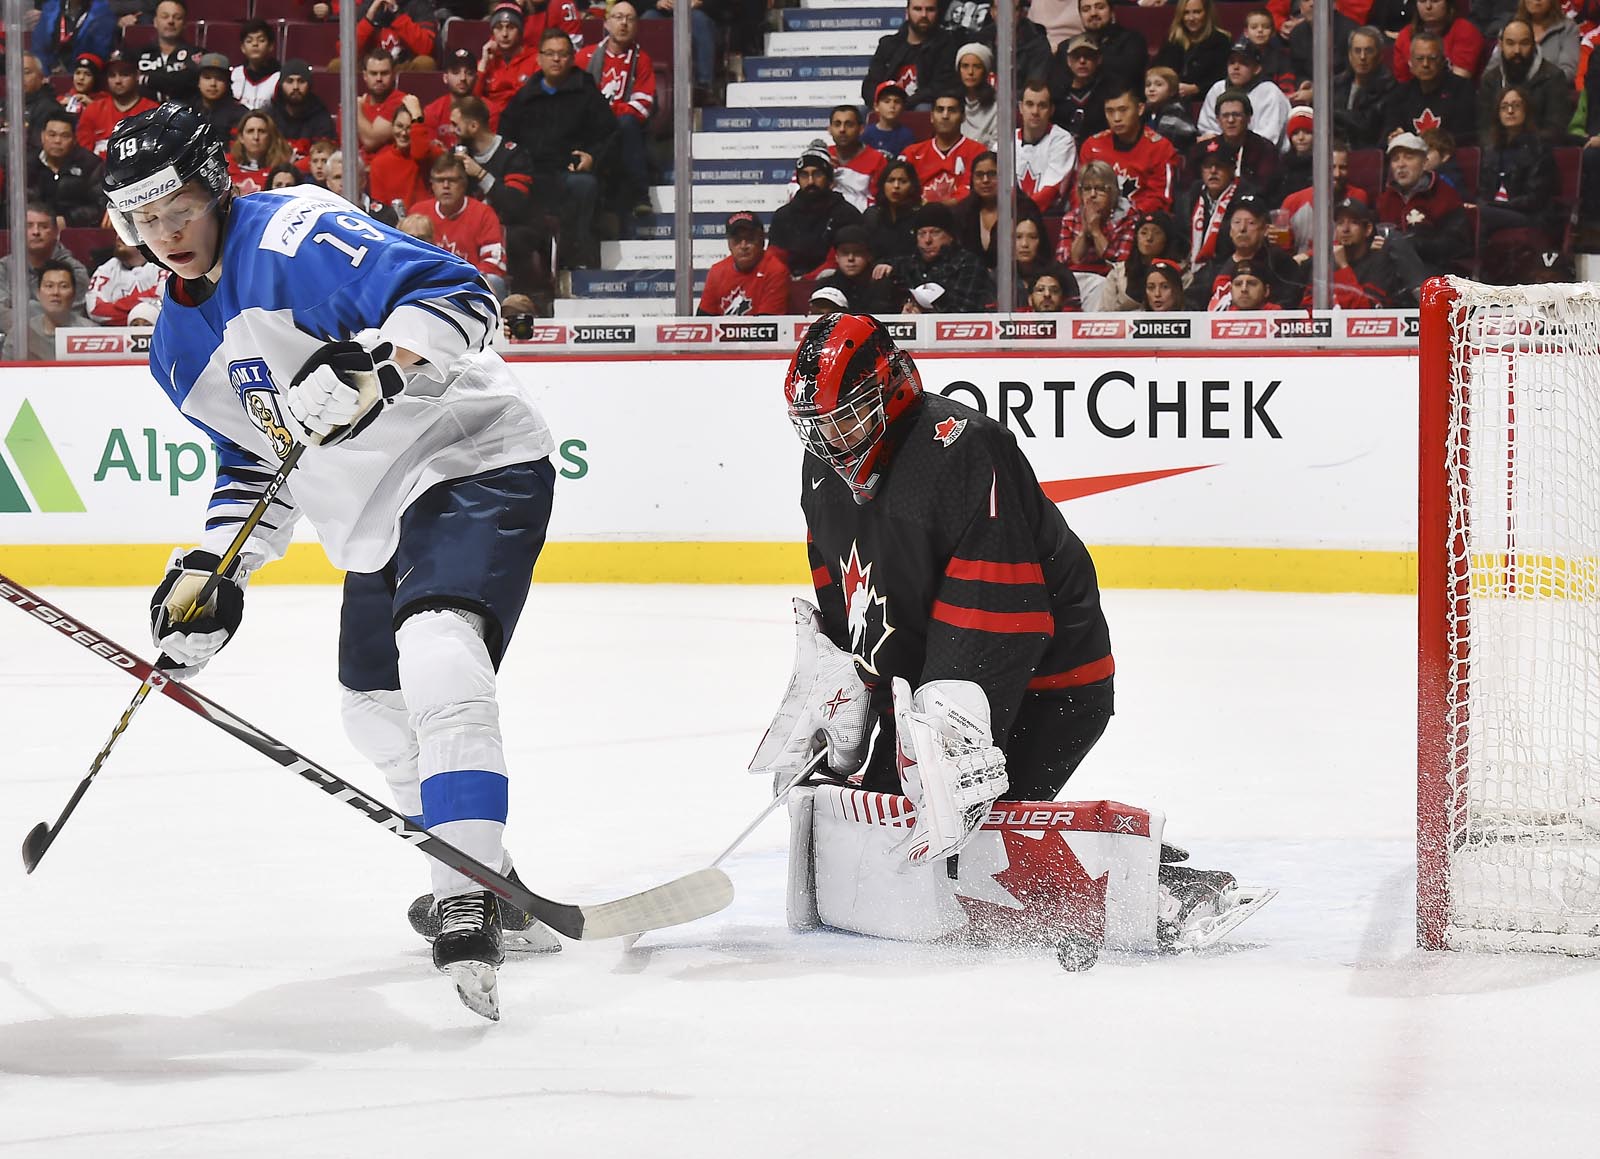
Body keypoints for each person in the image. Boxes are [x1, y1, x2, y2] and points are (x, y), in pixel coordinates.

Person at [101, 101, 559, 1021]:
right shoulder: (173, 348)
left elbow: (462, 297)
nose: (165, 235)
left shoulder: (294, 233)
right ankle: (501, 885)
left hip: (467, 456)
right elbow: (260, 462)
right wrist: (211, 569)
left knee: (437, 648)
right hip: (373, 515)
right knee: (374, 713)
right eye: (142, 221)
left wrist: (378, 363)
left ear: (216, 183)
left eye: (178, 208)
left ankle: (462, 880)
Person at [767, 316, 1249, 953]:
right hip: (931, 689)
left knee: (959, 837)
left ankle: (1170, 889)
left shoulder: (961, 447)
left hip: (1050, 680)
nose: (833, 441)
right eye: (817, 426)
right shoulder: (824, 471)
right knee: (896, 829)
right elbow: (842, 592)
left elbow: (1001, 608)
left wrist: (951, 733)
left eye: (847, 418)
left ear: (891, 389)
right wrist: (845, 690)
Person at [500, 27, 619, 270]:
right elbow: (505, 138)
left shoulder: (586, 92)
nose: (556, 59)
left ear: (572, 58)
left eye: (563, 54)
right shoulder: (524, 97)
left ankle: (576, 259)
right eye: (550, 53)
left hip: (569, 173)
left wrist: (593, 157)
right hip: (531, 174)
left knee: (584, 185)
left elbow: (610, 133)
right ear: (539, 58)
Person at [576, 0, 657, 217]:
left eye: (630, 19)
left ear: (636, 26)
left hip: (622, 129)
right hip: (591, 128)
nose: (623, 23)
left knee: (627, 123)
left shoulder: (642, 60)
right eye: (618, 17)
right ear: (607, 23)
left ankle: (640, 197)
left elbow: (642, 106)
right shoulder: (585, 56)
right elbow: (574, 99)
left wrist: (608, 113)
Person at [1476, 84, 1558, 282]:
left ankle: (1478, 278)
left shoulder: (1540, 149)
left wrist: (1496, 207)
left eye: (1516, 105)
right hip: (1493, 212)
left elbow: (1535, 200)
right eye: (1504, 107)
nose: (1510, 111)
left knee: (1479, 213)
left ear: (1526, 111)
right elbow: (1484, 190)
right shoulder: (1491, 151)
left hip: (1529, 216)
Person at [1376, 130, 1470, 290]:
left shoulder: (1445, 195)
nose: (1401, 164)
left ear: (1424, 162)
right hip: (1391, 274)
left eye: (1409, 157)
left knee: (1397, 241)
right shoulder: (1385, 200)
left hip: (1436, 273)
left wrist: (1413, 243)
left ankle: (1422, 296)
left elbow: (1457, 245)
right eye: (1395, 159)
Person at [409, 153, 509, 297]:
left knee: (494, 280)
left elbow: (494, 262)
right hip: (427, 285)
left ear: (464, 183)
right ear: (432, 183)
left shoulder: (483, 213)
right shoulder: (418, 211)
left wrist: (462, 278)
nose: (445, 186)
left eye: (452, 180)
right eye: (440, 180)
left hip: (471, 286)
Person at [1188, 192, 1304, 308]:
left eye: (1251, 223)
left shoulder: (1279, 264)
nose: (1242, 229)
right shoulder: (1215, 266)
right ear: (1230, 230)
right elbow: (1192, 302)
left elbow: (1291, 302)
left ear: (1265, 229)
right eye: (1237, 222)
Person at [873, 201, 994, 311]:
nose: (927, 240)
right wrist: (885, 267)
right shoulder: (907, 264)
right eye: (921, 233)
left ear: (950, 236)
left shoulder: (967, 263)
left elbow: (966, 308)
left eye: (935, 232)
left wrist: (927, 310)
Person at [1080, 83, 1179, 215]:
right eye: (1110, 111)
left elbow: (1161, 198)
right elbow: (1079, 192)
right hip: (1097, 220)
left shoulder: (1160, 148)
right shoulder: (1092, 146)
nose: (1117, 118)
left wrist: (1126, 218)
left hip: (1141, 223)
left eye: (1123, 110)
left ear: (1140, 109)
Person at [770, 145, 864, 279]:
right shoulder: (783, 215)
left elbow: (838, 260)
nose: (810, 181)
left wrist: (805, 281)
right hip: (788, 284)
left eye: (817, 174)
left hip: (832, 284)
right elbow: (775, 258)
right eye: (804, 175)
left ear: (829, 179)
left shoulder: (847, 214)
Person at [1477, 19, 1571, 143]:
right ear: (1501, 45)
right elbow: (1484, 130)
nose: (1517, 50)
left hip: (1540, 152)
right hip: (1498, 153)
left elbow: (1556, 129)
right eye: (1510, 43)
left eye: (1524, 43)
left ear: (1533, 44)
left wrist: (1521, 142)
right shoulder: (1490, 80)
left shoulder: (1553, 77)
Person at [1382, 30, 1478, 143]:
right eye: (1419, 59)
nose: (1425, 64)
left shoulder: (1461, 89)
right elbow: (1388, 133)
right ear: (1410, 62)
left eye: (1432, 58)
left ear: (1443, 60)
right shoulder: (1400, 94)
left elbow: (1469, 136)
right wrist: (1394, 136)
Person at [954, 151, 1046, 269]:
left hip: (1016, 279)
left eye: (992, 174)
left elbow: (1041, 254)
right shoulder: (963, 211)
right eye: (979, 175)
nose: (985, 180)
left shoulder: (1024, 208)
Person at [0, 203, 91, 316]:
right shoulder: (4, 268)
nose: (36, 232)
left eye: (43, 226)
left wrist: (27, 310)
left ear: (56, 232)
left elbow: (70, 316)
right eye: (28, 226)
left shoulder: (75, 271)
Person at [861, 0, 955, 109]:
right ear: (907, 12)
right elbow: (871, 82)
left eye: (930, 10)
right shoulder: (888, 44)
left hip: (920, 105)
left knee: (924, 108)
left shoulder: (946, 45)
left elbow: (939, 87)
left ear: (938, 13)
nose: (924, 15)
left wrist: (902, 103)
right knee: (860, 111)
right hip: (888, 106)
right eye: (918, 9)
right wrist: (879, 102)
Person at [1196, 40, 1290, 145]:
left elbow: (1268, 138)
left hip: (1261, 155)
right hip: (1222, 153)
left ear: (1257, 68)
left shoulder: (1270, 93)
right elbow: (1208, 129)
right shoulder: (1218, 89)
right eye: (1231, 62)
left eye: (1243, 62)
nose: (1235, 67)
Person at [901, 92, 988, 204]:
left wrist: (937, 208)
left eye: (952, 110)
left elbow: (974, 190)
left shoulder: (977, 152)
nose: (945, 116)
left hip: (962, 216)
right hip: (918, 216)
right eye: (940, 110)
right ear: (932, 117)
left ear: (963, 117)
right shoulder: (912, 153)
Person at [1317, 196, 1404, 307]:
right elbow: (1308, 311)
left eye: (1354, 222)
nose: (1345, 229)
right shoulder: (1324, 265)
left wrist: (1343, 267)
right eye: (1340, 223)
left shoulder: (1379, 262)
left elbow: (1366, 310)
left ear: (1368, 229)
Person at [698, 211, 791, 315]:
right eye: (737, 240)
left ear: (761, 240)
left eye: (750, 239)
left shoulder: (775, 271)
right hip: (722, 331)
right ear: (729, 244)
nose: (743, 246)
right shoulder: (717, 272)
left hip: (756, 330)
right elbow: (703, 320)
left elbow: (767, 326)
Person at [27, 108, 106, 228]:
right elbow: (14, 205)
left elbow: (99, 207)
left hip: (78, 232)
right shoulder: (27, 165)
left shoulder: (91, 165)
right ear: (42, 136)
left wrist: (68, 220)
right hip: (34, 230)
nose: (57, 141)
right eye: (52, 135)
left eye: (65, 136)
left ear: (74, 140)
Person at [1095, 208, 1185, 310]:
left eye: (1157, 233)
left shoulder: (1181, 273)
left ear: (1167, 239)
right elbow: (1105, 313)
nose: (1149, 238)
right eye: (1143, 233)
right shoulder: (1118, 273)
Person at [1055, 159, 1134, 276]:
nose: (1092, 195)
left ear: (1112, 192)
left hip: (1111, 279)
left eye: (1100, 189)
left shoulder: (1127, 218)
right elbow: (1063, 261)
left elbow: (1120, 263)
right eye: (1086, 189)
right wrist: (1084, 231)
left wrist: (1096, 231)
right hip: (1076, 278)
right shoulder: (1070, 219)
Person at [1176, 138, 1246, 265]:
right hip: (1191, 268)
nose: (1213, 170)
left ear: (1232, 169)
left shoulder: (1244, 200)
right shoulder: (1189, 198)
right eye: (1208, 165)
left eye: (1219, 165)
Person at [76, 49, 158, 159]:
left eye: (124, 74)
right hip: (98, 173)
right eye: (112, 75)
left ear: (137, 75)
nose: (117, 80)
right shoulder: (93, 110)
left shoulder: (152, 111)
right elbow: (84, 155)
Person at [2, 261, 91, 360]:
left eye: (63, 286)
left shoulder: (90, 332)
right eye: (49, 286)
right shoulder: (21, 334)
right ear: (38, 293)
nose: (55, 292)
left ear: (74, 294)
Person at [1014, 79, 1077, 213]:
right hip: (1012, 218)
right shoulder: (1006, 142)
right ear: (1020, 107)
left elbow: (1050, 192)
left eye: (1042, 105)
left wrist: (1019, 214)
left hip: (1047, 218)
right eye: (1029, 104)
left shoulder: (1062, 140)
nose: (1035, 111)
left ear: (1051, 110)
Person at [1197, 90, 1278, 193]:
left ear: (1248, 118)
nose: (1231, 120)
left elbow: (1266, 189)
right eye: (1225, 115)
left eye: (1237, 115)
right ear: (1218, 120)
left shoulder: (1265, 150)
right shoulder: (1203, 150)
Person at [1153, 0, 1232, 103]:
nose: (1191, 18)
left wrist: (1196, 88)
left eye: (1197, 12)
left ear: (1207, 13)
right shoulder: (1172, 40)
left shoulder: (1221, 40)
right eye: (1186, 13)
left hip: (1207, 100)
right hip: (1171, 100)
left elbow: (1223, 77)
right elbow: (1160, 71)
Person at [477, 2, 541, 128]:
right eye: (499, 27)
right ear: (492, 32)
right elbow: (471, 103)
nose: (504, 34)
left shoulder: (535, 60)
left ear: (520, 31)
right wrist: (483, 64)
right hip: (490, 128)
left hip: (524, 125)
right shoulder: (485, 63)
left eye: (511, 27)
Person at [1485, 0, 1579, 85]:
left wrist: (1533, 86)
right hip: (1510, 92)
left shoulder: (1567, 28)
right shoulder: (1511, 26)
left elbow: (1568, 72)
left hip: (1549, 93)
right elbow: (1492, 69)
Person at [1332, 25, 1395, 149]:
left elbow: (1369, 128)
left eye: (1369, 51)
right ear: (1350, 55)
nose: (1362, 57)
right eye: (1357, 51)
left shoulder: (1389, 87)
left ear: (1380, 55)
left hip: (1368, 156)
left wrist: (1335, 114)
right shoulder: (1337, 84)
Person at [812, 224, 898, 314]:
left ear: (869, 255)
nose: (851, 258)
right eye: (845, 253)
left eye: (857, 252)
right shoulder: (825, 286)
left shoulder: (882, 285)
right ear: (836, 257)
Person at [1392, 0, 1484, 83]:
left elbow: (1458, 83)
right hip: (1412, 97)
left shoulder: (1465, 30)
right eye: (1422, 1)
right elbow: (1402, 83)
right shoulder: (1405, 35)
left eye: (1435, 1)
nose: (1428, 6)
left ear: (1448, 3)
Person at [86, 237, 166, 326]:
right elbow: (94, 309)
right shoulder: (106, 269)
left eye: (126, 232)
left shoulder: (163, 265)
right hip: (118, 336)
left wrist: (118, 305)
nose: (118, 238)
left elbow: (164, 297)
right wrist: (138, 316)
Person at [271, 59, 337, 167]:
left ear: (309, 85)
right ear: (281, 85)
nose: (295, 87)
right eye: (290, 81)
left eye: (301, 81)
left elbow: (325, 156)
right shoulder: (270, 116)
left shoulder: (321, 116)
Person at [824, 105, 889, 212]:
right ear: (830, 129)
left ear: (861, 129)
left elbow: (880, 204)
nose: (842, 130)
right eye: (837, 124)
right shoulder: (821, 157)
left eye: (849, 124)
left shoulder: (877, 159)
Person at [1074, 0, 1144, 95]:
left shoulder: (1132, 41)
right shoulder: (1068, 47)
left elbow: (1127, 80)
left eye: (1100, 7)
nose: (1093, 13)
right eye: (1086, 9)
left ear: (1112, 11)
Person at [134, 0, 198, 103]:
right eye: (165, 16)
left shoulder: (195, 55)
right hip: (144, 115)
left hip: (183, 115)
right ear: (155, 21)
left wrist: (146, 79)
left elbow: (188, 81)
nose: (171, 21)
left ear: (185, 23)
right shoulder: (137, 55)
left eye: (177, 18)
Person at [33, 0, 116, 76]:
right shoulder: (50, 8)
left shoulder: (102, 11)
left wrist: (75, 73)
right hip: (51, 75)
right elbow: (39, 46)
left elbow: (100, 51)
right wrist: (48, 70)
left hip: (85, 77)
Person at [861, 158, 923, 259]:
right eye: (890, 180)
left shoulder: (920, 216)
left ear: (912, 186)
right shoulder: (872, 215)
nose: (896, 186)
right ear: (883, 184)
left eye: (903, 181)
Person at [356, 0, 439, 71]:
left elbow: (426, 48)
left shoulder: (419, 6)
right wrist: (368, 18)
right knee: (345, 63)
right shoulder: (365, 7)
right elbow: (349, 51)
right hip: (373, 67)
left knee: (425, 63)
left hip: (405, 66)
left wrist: (396, 14)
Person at [423, 48, 480, 152]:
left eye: (469, 73)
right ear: (445, 77)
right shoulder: (432, 111)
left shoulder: (489, 110)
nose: (463, 78)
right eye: (456, 72)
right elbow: (430, 150)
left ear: (476, 78)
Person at [1056, 34, 1110, 142]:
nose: (1082, 61)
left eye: (1088, 55)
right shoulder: (1057, 94)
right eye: (1076, 56)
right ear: (1068, 61)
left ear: (1098, 59)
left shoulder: (1108, 92)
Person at [228, 110, 294, 196]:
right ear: (241, 137)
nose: (256, 137)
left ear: (270, 136)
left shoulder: (281, 171)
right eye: (250, 131)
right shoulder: (225, 165)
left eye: (262, 131)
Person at [357, 48, 406, 157]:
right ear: (365, 76)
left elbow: (370, 140)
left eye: (384, 73)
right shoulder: (361, 103)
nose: (379, 78)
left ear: (393, 75)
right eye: (373, 73)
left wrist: (355, 109)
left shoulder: (401, 102)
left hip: (388, 169)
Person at [192, 52, 247, 141]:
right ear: (198, 81)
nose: (213, 84)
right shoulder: (189, 111)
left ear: (227, 83)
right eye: (207, 77)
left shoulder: (241, 114)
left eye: (219, 78)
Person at [1143, 66, 1199, 153]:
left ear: (1172, 91)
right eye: (1148, 85)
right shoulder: (1145, 112)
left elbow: (1163, 148)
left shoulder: (1176, 111)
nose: (1151, 89)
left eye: (1159, 84)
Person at [231, 19, 282, 111]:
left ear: (271, 46)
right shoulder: (234, 74)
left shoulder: (279, 78)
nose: (255, 44)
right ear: (242, 48)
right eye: (249, 41)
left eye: (261, 40)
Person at [956, 42, 999, 148]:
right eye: (965, 66)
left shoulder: (997, 107)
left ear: (985, 71)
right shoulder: (952, 103)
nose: (970, 72)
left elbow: (997, 146)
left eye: (977, 67)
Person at [864, 81, 915, 156]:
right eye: (886, 101)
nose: (892, 106)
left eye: (897, 102)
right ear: (876, 106)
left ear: (903, 107)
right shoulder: (867, 134)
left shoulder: (906, 136)